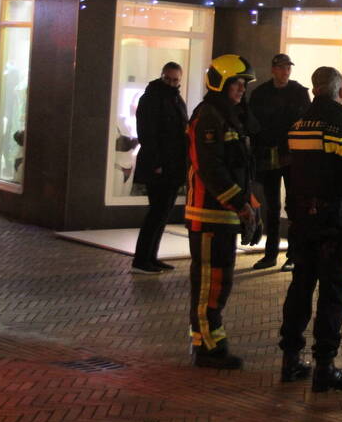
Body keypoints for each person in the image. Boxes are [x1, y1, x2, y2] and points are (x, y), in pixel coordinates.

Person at [277, 66, 342, 391]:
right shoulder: (340, 122)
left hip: (301, 218)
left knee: (300, 286)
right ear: (338, 90)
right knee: (332, 291)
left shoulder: (298, 124)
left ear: (314, 89)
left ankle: (291, 360)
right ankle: (325, 367)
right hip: (333, 221)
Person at [185, 54, 260, 369]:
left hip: (224, 213)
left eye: (244, 84)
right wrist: (240, 204)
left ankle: (211, 340)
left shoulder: (229, 115)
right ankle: (206, 347)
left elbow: (239, 168)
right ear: (221, 83)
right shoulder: (208, 117)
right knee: (208, 283)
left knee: (221, 281)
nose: (242, 89)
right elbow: (210, 169)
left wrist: (249, 205)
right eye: (237, 83)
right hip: (208, 214)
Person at [249, 53, 310, 271]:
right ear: (273, 69)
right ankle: (270, 254)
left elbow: (306, 123)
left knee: (293, 206)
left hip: (293, 156)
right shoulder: (260, 94)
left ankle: (293, 254)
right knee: (272, 207)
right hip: (268, 157)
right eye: (282, 68)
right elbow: (253, 125)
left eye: (288, 68)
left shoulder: (300, 93)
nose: (285, 72)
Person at [131, 62, 188, 274]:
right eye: (169, 79)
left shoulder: (173, 98)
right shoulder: (153, 99)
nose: (172, 83)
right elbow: (147, 133)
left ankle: (150, 257)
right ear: (162, 76)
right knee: (157, 213)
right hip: (161, 167)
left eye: (175, 80)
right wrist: (156, 164)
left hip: (171, 166)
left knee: (161, 214)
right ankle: (142, 259)